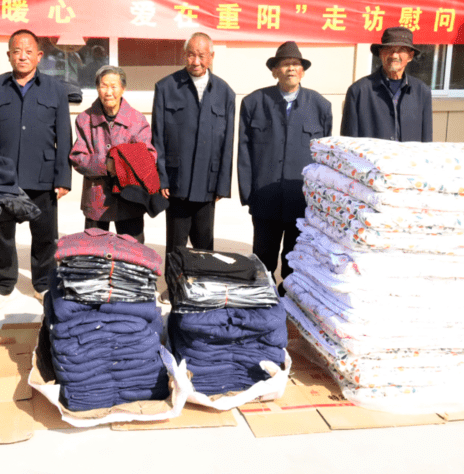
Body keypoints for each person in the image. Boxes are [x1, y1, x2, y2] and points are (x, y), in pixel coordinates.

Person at [0, 29, 72, 310]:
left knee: (45, 234)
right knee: (1, 234)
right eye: (17, 51)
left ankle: (43, 284)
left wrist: (63, 177)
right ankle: (2, 286)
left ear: (39, 56)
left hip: (43, 174)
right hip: (2, 176)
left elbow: (64, 136)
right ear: (9, 55)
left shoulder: (56, 89)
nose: (22, 56)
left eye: (29, 51)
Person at [237, 41, 332, 283]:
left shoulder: (320, 106)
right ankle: (264, 296)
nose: (291, 69)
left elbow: (325, 158)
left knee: (295, 258)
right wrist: (248, 194)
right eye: (285, 64)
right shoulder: (254, 103)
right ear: (274, 71)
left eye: (296, 64)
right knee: (263, 259)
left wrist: (320, 199)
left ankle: (290, 296)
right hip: (264, 197)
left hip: (301, 199)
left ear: (302, 71)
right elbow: (244, 151)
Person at [151, 32, 235, 265]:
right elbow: (157, 138)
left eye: (201, 56)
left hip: (208, 182)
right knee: (176, 245)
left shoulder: (224, 92)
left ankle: (203, 282)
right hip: (177, 181)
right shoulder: (166, 87)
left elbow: (227, 142)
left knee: (204, 246)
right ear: (184, 55)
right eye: (190, 55)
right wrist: (161, 178)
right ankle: (175, 282)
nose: (196, 61)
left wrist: (222, 184)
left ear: (211, 57)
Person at [70, 65, 156, 243]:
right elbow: (78, 157)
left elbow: (149, 156)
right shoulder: (85, 119)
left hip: (130, 199)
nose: (108, 92)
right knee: (95, 252)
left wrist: (119, 165)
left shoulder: (137, 120)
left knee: (132, 252)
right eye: (103, 86)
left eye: (114, 86)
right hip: (96, 199)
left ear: (123, 88)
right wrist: (105, 165)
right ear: (97, 88)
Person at [341, 26, 433, 142]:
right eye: (389, 49)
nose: (394, 55)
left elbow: (426, 141)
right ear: (380, 53)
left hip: (409, 154)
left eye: (401, 50)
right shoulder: (358, 91)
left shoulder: (422, 91)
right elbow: (348, 143)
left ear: (410, 56)